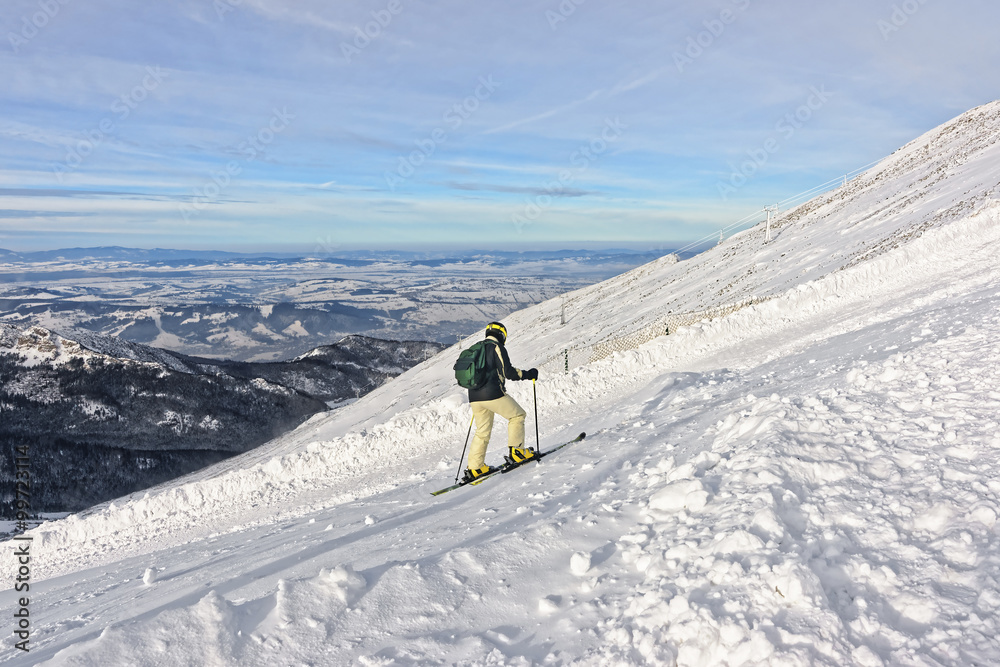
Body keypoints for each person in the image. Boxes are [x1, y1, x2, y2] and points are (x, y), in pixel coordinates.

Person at [463, 322, 539, 482]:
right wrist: (528, 374)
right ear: (502, 335)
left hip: (474, 396)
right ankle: (517, 453)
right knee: (518, 416)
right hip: (492, 393)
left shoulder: (477, 348)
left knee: (482, 431)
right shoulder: (496, 347)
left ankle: (475, 468)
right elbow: (508, 372)